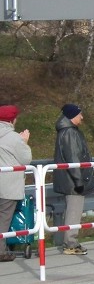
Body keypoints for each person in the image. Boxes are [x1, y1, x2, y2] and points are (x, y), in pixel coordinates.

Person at [53, 104, 94, 255]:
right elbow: (73, 158)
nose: (82, 117)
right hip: (72, 181)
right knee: (74, 212)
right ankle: (70, 243)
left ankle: (70, 241)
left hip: (69, 179)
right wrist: (79, 180)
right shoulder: (70, 133)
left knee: (73, 211)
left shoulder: (67, 131)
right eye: (80, 114)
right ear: (72, 116)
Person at [0, 105, 32, 262]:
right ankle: (1, 251)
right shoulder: (14, 138)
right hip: (8, 186)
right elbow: (26, 159)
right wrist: (24, 141)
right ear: (12, 120)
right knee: (4, 219)